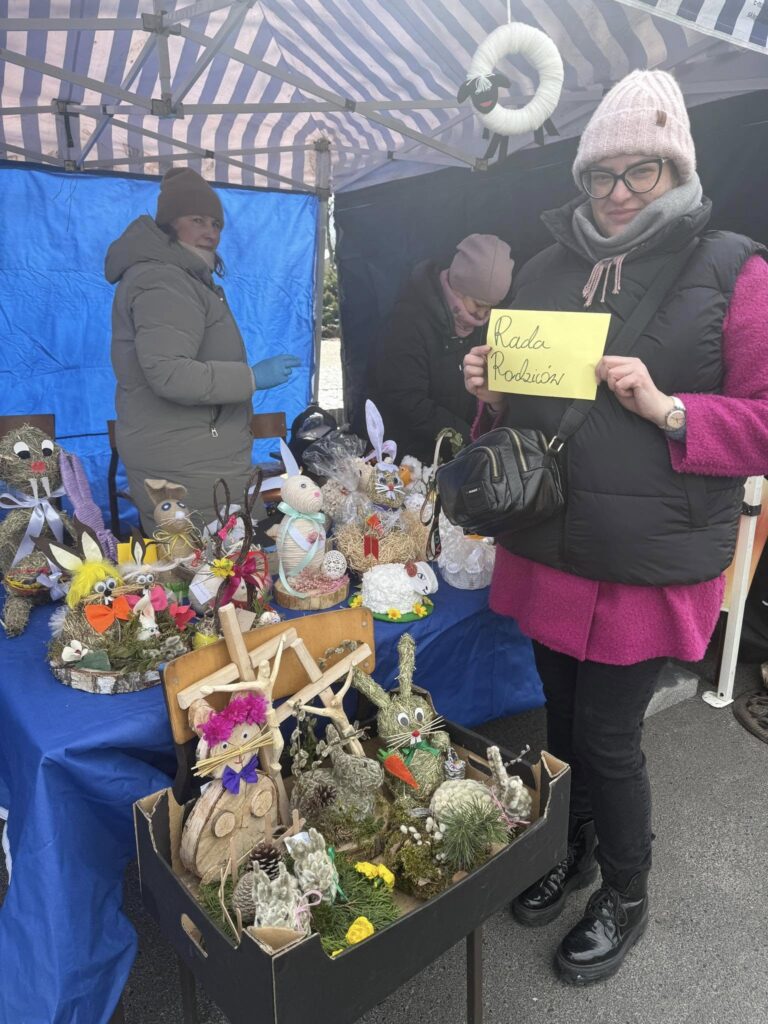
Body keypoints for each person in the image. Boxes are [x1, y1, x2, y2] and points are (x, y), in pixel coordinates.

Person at [463, 69, 768, 984]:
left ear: (677, 169)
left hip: (645, 559)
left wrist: (672, 409)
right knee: (558, 717)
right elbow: (521, 419)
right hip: (551, 544)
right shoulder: (544, 269)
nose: (619, 191)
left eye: (641, 171)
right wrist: (488, 395)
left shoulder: (737, 271)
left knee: (606, 735)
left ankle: (626, 892)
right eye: (602, 174)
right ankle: (572, 846)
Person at [106, 167, 300, 529]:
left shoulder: (183, 277)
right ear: (169, 224)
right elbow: (170, 373)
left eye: (216, 224)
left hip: (197, 454)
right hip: (184, 463)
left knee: (228, 557)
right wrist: (251, 378)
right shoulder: (163, 280)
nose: (210, 232)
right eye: (197, 220)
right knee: (208, 558)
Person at [368, 233, 513, 464]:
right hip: (407, 459)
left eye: (490, 308)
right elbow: (406, 400)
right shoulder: (406, 323)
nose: (482, 315)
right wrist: (469, 440)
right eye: (478, 304)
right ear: (458, 288)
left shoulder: (487, 329)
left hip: (458, 456)